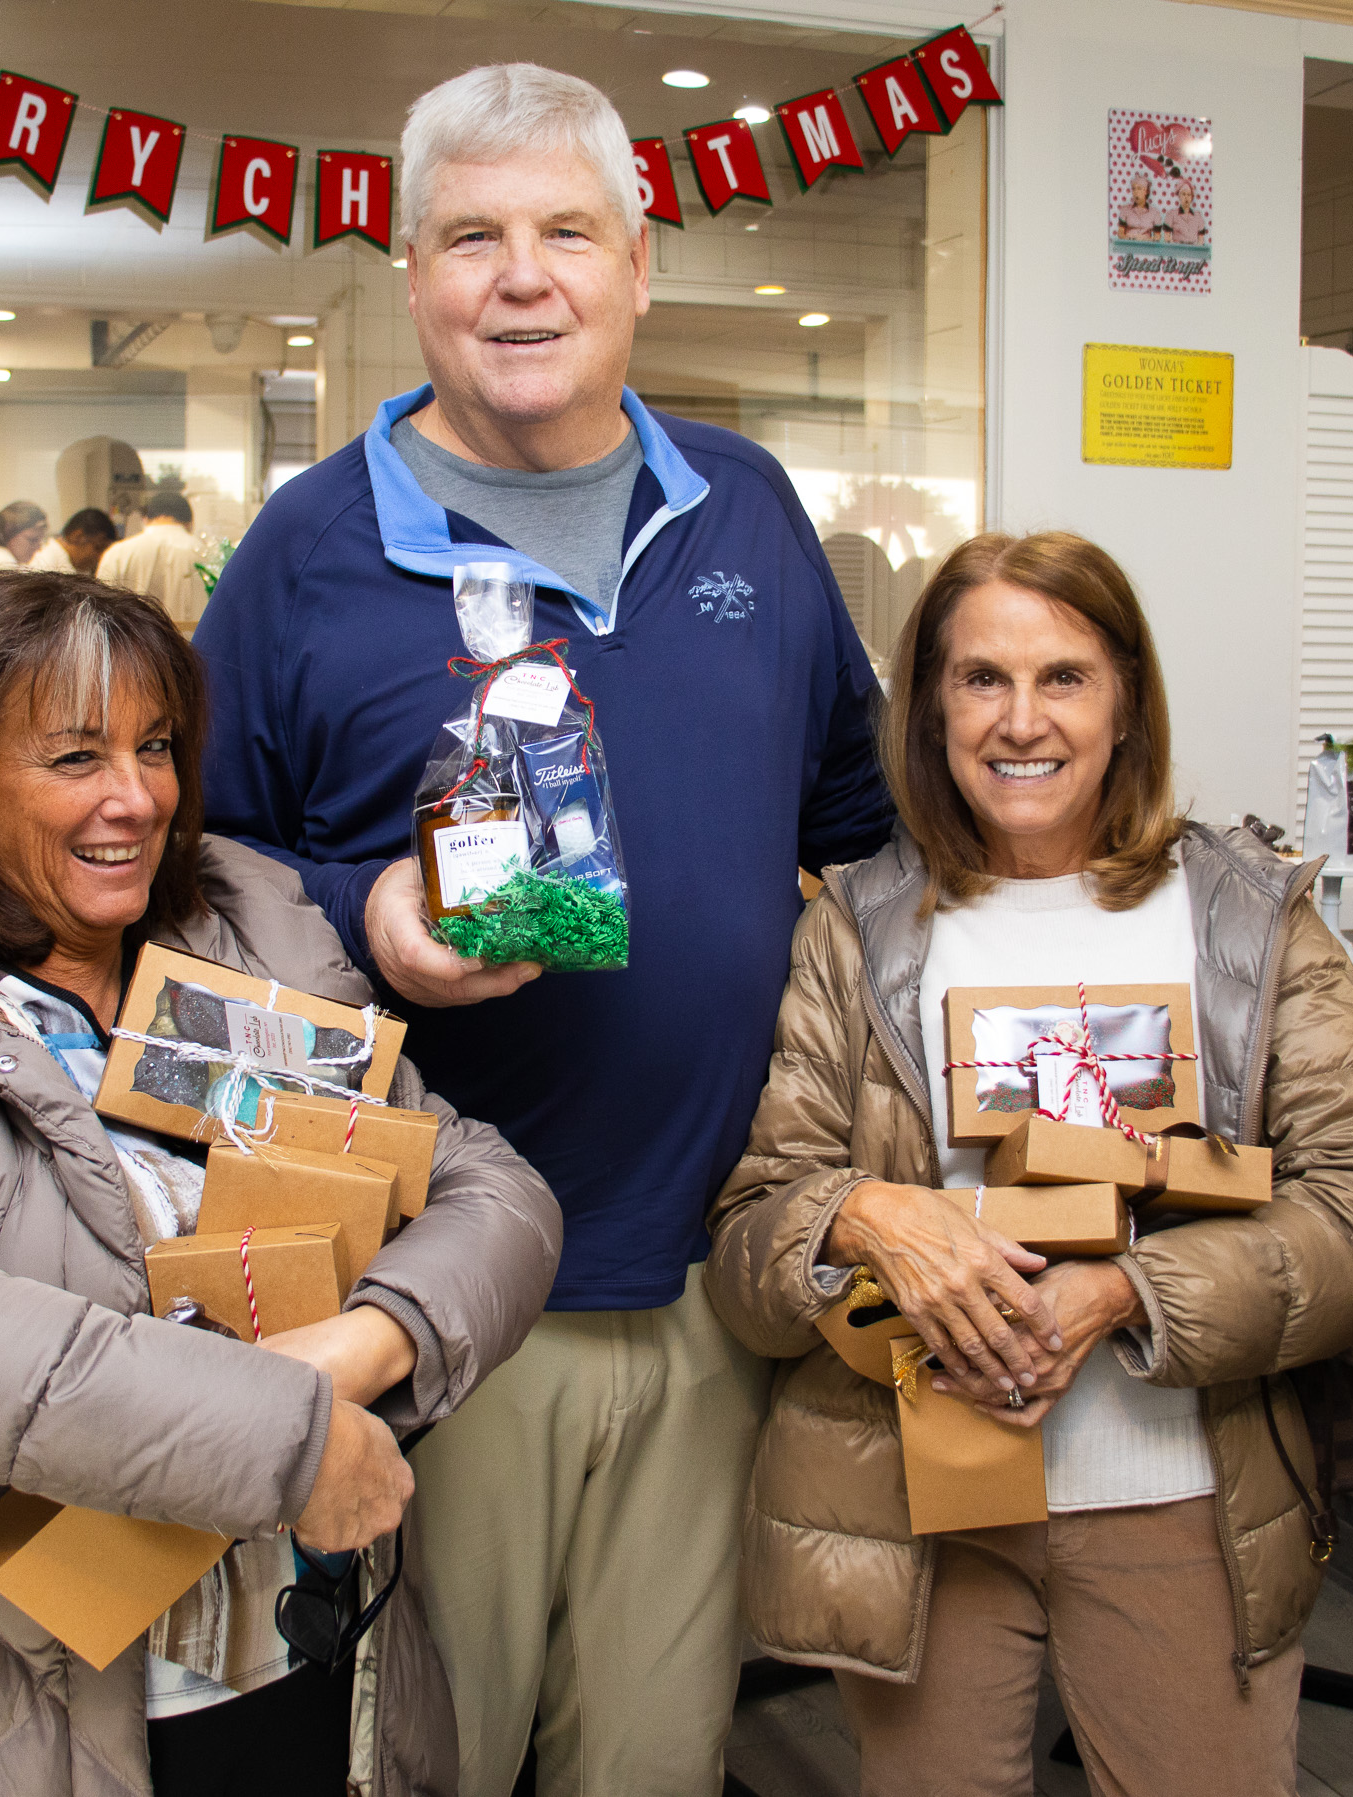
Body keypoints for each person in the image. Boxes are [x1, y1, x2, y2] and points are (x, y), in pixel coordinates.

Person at [194, 62, 894, 1797]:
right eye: (472, 238)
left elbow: (860, 836)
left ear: (638, 267)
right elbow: (189, 892)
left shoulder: (742, 508)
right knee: (428, 1760)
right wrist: (365, 919)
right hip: (431, 1296)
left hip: (716, 1277)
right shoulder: (305, 553)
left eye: (565, 232)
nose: (523, 277)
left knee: (651, 1761)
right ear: (411, 275)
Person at [0, 570, 562, 1797]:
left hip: (317, 1653)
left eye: (156, 747)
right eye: (74, 757)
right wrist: (284, 1435)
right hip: (71, 1706)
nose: (134, 797)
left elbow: (488, 1190)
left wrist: (355, 1349)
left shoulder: (246, 952)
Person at [703, 531, 1353, 1797]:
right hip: (925, 1507)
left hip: (1180, 1504)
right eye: (979, 678)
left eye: (1062, 678)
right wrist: (866, 1217)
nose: (1018, 720)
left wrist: (1123, 1294)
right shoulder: (853, 929)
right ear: (929, 705)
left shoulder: (1244, 919)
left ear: (1125, 700)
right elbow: (753, 1245)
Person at [99, 489, 210, 629]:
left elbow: (102, 615)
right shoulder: (205, 554)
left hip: (134, 647)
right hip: (191, 646)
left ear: (145, 520)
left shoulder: (117, 554)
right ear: (189, 523)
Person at [30, 505, 121, 575]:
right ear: (77, 536)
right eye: (98, 548)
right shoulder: (45, 565)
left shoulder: (75, 568)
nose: (100, 557)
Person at [1114, 171, 1164, 240]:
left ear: (1146, 191)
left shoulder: (1155, 213)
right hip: (1128, 246)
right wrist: (1129, 238)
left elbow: (1157, 236)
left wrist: (1146, 240)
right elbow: (1120, 233)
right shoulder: (1125, 209)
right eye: (1134, 189)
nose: (1136, 192)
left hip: (1147, 247)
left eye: (1139, 188)